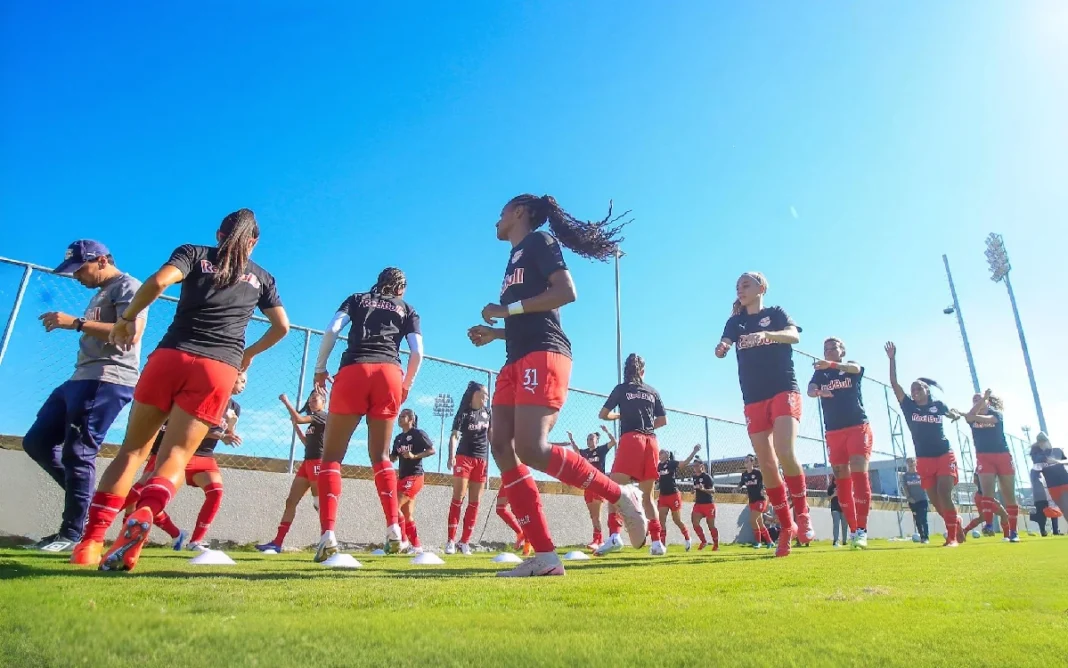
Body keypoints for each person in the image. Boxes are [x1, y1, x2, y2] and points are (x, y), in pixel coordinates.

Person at [74, 209, 289, 570]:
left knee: (132, 452)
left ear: (219, 235)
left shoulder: (194, 254)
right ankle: (145, 512)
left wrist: (125, 321)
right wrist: (247, 356)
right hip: (219, 368)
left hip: (171, 356)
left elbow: (158, 282)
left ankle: (90, 543)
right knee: (174, 457)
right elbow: (281, 327)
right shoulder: (263, 278)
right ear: (254, 242)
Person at [466, 193, 646, 577]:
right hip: (515, 357)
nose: (495, 221)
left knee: (532, 448)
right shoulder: (513, 256)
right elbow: (529, 318)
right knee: (501, 445)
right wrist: (496, 332)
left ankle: (621, 495)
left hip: (545, 355)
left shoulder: (540, 242)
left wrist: (505, 311)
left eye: (500, 212)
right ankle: (546, 556)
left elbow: (566, 292)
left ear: (519, 212)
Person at [21, 241, 145, 553]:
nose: (76, 277)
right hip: (80, 377)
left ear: (101, 260)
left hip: (108, 377)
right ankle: (91, 507)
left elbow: (131, 333)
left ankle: (73, 534)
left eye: (80, 269)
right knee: (36, 441)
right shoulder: (99, 293)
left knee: (78, 453)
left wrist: (76, 322)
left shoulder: (129, 286)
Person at [312, 267, 424, 562]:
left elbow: (333, 329)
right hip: (389, 373)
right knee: (382, 456)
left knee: (332, 457)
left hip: (354, 369)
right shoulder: (407, 309)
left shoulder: (357, 299)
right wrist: (406, 385)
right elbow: (417, 352)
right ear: (401, 289)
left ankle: (328, 536)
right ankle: (393, 531)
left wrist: (320, 367)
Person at [715, 272, 810, 557]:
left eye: (746, 284)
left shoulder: (776, 313)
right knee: (767, 464)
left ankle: (803, 514)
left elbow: (794, 336)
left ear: (761, 287)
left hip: (783, 388)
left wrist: (766, 335)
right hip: (753, 397)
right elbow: (725, 342)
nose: (740, 289)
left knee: (784, 451)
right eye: (737, 286)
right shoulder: (735, 321)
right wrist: (722, 348)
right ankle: (786, 528)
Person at [126, 373, 244, 551]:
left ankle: (195, 541)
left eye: (245, 382)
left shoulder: (234, 407)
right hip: (176, 453)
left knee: (216, 491)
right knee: (140, 497)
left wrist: (231, 427)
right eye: (241, 380)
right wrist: (221, 435)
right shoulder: (205, 396)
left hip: (204, 457)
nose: (243, 385)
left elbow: (227, 434)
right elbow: (190, 429)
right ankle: (174, 533)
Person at [885, 342, 964, 547]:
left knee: (944, 494)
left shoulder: (937, 406)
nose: (915, 391)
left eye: (919, 387)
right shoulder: (909, 407)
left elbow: (950, 413)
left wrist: (954, 414)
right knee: (936, 502)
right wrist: (892, 359)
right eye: (913, 389)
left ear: (927, 390)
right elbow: (894, 383)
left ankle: (952, 536)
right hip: (923, 459)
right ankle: (956, 522)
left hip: (944, 454)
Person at [595, 353, 668, 556]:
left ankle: (615, 536)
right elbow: (663, 420)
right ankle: (656, 544)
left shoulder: (622, 388)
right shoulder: (652, 391)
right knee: (648, 498)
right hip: (651, 442)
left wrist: (620, 415)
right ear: (643, 371)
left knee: (614, 490)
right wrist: (645, 424)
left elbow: (603, 414)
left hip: (631, 440)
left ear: (626, 370)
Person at [808, 337, 872, 549]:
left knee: (858, 471)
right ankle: (853, 530)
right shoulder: (820, 373)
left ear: (842, 351)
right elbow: (810, 389)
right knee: (841, 477)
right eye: (825, 348)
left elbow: (856, 368)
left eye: (833, 347)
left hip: (856, 426)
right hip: (834, 430)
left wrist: (832, 365)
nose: (828, 351)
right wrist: (819, 392)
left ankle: (862, 529)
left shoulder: (849, 367)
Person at [256, 389, 328, 552]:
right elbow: (306, 441)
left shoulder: (322, 416)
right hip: (307, 463)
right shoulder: (313, 422)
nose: (311, 401)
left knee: (319, 504)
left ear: (324, 402)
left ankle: (327, 540)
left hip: (318, 462)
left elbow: (299, 418)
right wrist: (296, 426)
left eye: (315, 398)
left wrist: (286, 401)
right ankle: (277, 542)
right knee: (290, 502)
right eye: (310, 399)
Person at [966, 389, 1020, 541]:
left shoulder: (996, 414)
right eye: (975, 400)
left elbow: (988, 420)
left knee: (1008, 495)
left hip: (1002, 455)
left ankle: (1014, 532)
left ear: (988, 402)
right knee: (987, 492)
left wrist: (981, 403)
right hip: (984, 457)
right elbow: (970, 417)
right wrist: (978, 404)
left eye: (981, 400)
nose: (978, 402)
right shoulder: (972, 418)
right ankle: (988, 525)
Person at [445, 382, 491, 555]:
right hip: (464, 458)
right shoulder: (463, 413)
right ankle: (450, 541)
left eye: (487, 395)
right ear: (475, 394)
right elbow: (454, 436)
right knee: (458, 497)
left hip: (482, 460)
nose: (486, 397)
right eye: (484, 394)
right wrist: (451, 456)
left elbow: (492, 436)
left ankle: (465, 542)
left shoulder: (488, 413)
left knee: (475, 502)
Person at [390, 408, 435, 553]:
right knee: (406, 514)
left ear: (411, 419)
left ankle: (403, 540)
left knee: (393, 507)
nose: (400, 418)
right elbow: (393, 457)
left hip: (415, 476)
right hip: (402, 477)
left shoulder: (418, 434)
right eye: (399, 416)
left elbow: (431, 450)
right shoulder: (398, 438)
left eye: (403, 416)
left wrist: (414, 456)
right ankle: (417, 547)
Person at [565, 426, 617, 550]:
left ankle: (597, 540)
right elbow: (577, 451)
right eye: (588, 439)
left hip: (599, 485)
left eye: (591, 438)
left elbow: (614, 442)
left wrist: (607, 431)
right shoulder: (585, 452)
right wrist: (572, 439)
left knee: (596, 514)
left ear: (596, 440)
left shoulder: (601, 450)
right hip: (587, 485)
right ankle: (598, 540)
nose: (589, 440)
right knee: (592, 515)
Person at [652, 445, 701, 554]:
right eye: (659, 452)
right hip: (663, 496)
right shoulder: (658, 466)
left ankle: (687, 537)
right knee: (661, 521)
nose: (660, 453)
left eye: (662, 452)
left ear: (667, 455)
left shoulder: (671, 463)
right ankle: (662, 546)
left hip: (673, 495)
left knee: (676, 520)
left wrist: (694, 451)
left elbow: (684, 464)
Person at [738, 455, 773, 548]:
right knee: (760, 523)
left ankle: (758, 542)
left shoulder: (757, 472)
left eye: (747, 461)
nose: (745, 462)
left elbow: (766, 479)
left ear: (752, 462)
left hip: (760, 500)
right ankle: (770, 542)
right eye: (744, 461)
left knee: (752, 520)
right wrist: (738, 488)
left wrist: (765, 489)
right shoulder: (744, 474)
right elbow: (741, 483)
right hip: (752, 501)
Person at [962, 471, 1009, 539]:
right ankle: (1006, 536)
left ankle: (965, 530)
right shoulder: (990, 467)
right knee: (1004, 514)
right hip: (986, 496)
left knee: (982, 518)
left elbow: (975, 481)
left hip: (978, 496)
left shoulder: (979, 468)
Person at [1032, 434, 1068, 514]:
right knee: (1065, 512)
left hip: (1065, 483)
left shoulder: (1057, 450)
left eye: (1044, 441)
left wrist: (1057, 462)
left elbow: (1066, 462)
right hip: (1053, 486)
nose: (1043, 444)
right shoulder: (1037, 455)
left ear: (1048, 441)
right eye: (1040, 442)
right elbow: (1037, 467)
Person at [690, 458, 719, 551]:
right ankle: (703, 541)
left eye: (696, 465)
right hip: (698, 504)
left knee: (711, 525)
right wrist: (694, 490)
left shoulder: (707, 477)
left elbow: (713, 491)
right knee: (695, 523)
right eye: (693, 466)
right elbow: (696, 487)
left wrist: (704, 489)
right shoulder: (694, 477)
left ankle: (716, 545)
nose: (694, 468)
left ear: (701, 466)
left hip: (708, 504)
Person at [901, 458, 930, 543]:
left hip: (922, 499)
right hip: (913, 501)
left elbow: (927, 484)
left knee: (923, 518)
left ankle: (926, 537)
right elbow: (905, 487)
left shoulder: (920, 474)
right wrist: (909, 497)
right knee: (917, 519)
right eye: (909, 462)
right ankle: (921, 536)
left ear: (915, 463)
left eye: (912, 462)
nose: (911, 464)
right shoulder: (905, 476)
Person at [1030, 462, 1062, 537]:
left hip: (1047, 494)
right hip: (1040, 496)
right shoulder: (1035, 470)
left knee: (1053, 512)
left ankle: (1055, 531)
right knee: (1042, 514)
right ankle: (1043, 531)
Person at [828, 478, 847, 547]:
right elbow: (828, 498)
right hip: (835, 509)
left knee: (845, 525)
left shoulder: (843, 486)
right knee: (836, 525)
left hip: (843, 508)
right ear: (833, 481)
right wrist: (834, 494)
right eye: (835, 480)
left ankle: (844, 541)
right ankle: (835, 541)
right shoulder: (831, 488)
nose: (836, 481)